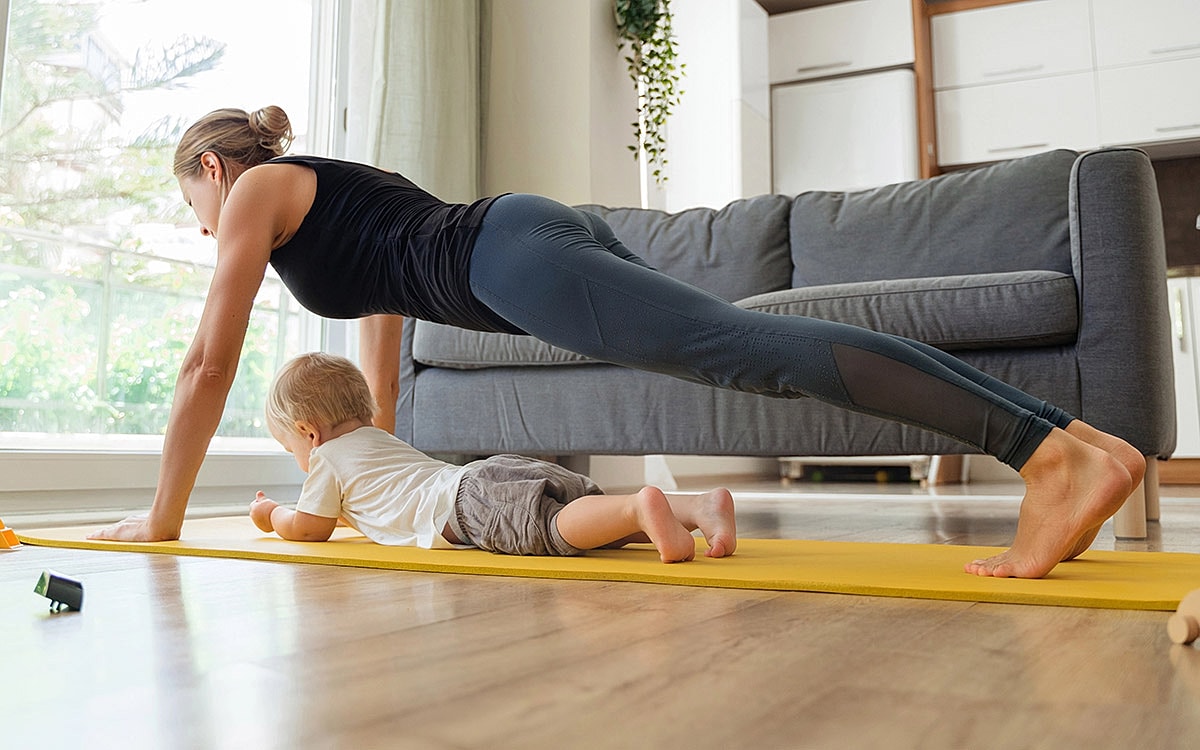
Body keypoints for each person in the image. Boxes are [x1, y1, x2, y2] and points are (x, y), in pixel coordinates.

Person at [90, 105, 1144, 580]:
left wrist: (165, 516)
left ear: (212, 173)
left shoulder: (254, 194)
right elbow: (385, 302)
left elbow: (207, 364)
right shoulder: (313, 191)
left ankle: (1041, 456)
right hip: (517, 237)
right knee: (744, 344)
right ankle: (1086, 447)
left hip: (510, 258)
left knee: (750, 348)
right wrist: (387, 443)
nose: (200, 228)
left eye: (194, 205)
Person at [249, 352, 736, 563]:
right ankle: (695, 507)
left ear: (308, 433)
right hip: (485, 473)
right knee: (585, 521)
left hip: (467, 507)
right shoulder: (379, 440)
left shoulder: (327, 458)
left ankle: (638, 507)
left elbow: (311, 527)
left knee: (554, 531)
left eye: (289, 446)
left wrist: (273, 515)